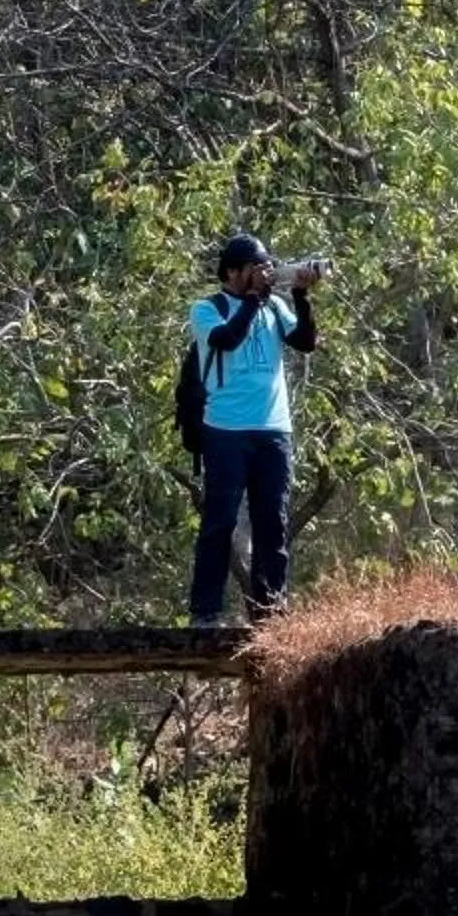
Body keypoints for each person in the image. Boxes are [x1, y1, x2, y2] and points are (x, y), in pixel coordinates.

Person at [188, 234, 321, 625]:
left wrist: (300, 296)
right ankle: (205, 612)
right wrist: (250, 300)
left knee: (272, 524)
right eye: (256, 267)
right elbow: (227, 340)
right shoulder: (207, 309)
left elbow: (306, 342)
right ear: (233, 272)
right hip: (225, 430)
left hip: (273, 430)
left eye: (268, 266)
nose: (265, 273)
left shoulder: (274, 307)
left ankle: (271, 614)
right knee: (219, 522)